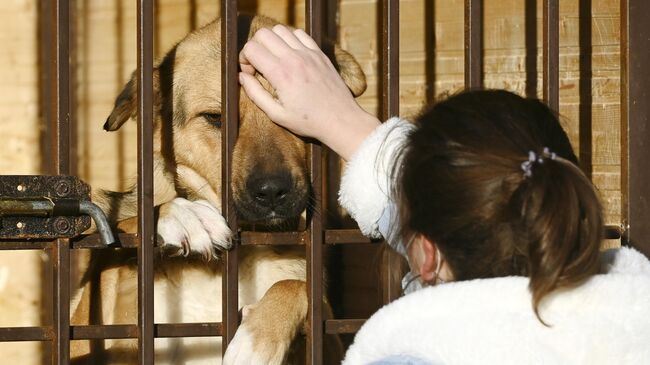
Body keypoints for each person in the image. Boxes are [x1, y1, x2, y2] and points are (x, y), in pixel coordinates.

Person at [238, 25, 650, 364]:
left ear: (427, 257)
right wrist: (343, 122)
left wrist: (341, 120)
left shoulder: (410, 354)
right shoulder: (634, 319)